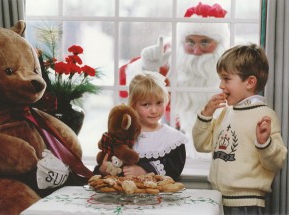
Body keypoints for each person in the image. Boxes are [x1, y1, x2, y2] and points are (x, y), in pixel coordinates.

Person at [119, 2, 230, 158]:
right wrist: (148, 68)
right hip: (168, 149)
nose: (197, 51)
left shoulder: (232, 68)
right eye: (190, 42)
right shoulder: (169, 61)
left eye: (205, 42)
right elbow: (127, 89)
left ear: (219, 44)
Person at [192, 44, 287, 215]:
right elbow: (201, 145)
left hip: (246, 204)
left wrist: (265, 143)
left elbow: (277, 161)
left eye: (226, 79)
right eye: (220, 79)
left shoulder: (265, 115)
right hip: (219, 199)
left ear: (250, 82)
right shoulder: (225, 113)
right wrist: (206, 115)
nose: (221, 85)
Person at [98, 72, 189, 181]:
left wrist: (145, 170)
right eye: (146, 104)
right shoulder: (122, 135)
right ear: (133, 105)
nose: (154, 110)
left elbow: (174, 169)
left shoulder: (173, 139)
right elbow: (108, 162)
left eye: (159, 102)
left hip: (159, 197)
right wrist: (103, 170)